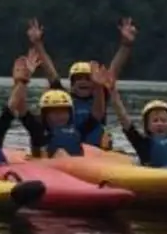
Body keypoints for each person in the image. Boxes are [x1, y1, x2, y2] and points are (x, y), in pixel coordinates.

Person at [29, 18, 138, 150]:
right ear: (72, 84)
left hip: (98, 151)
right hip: (72, 147)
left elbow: (114, 70)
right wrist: (37, 44)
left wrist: (126, 45)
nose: (83, 81)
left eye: (87, 78)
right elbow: (51, 73)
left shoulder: (100, 94)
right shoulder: (64, 99)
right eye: (78, 79)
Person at [22, 55, 112, 158]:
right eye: (54, 112)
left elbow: (97, 114)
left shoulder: (77, 131)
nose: (59, 116)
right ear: (44, 114)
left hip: (89, 156)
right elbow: (20, 110)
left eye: (64, 111)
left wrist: (98, 86)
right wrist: (22, 82)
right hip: (47, 163)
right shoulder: (37, 129)